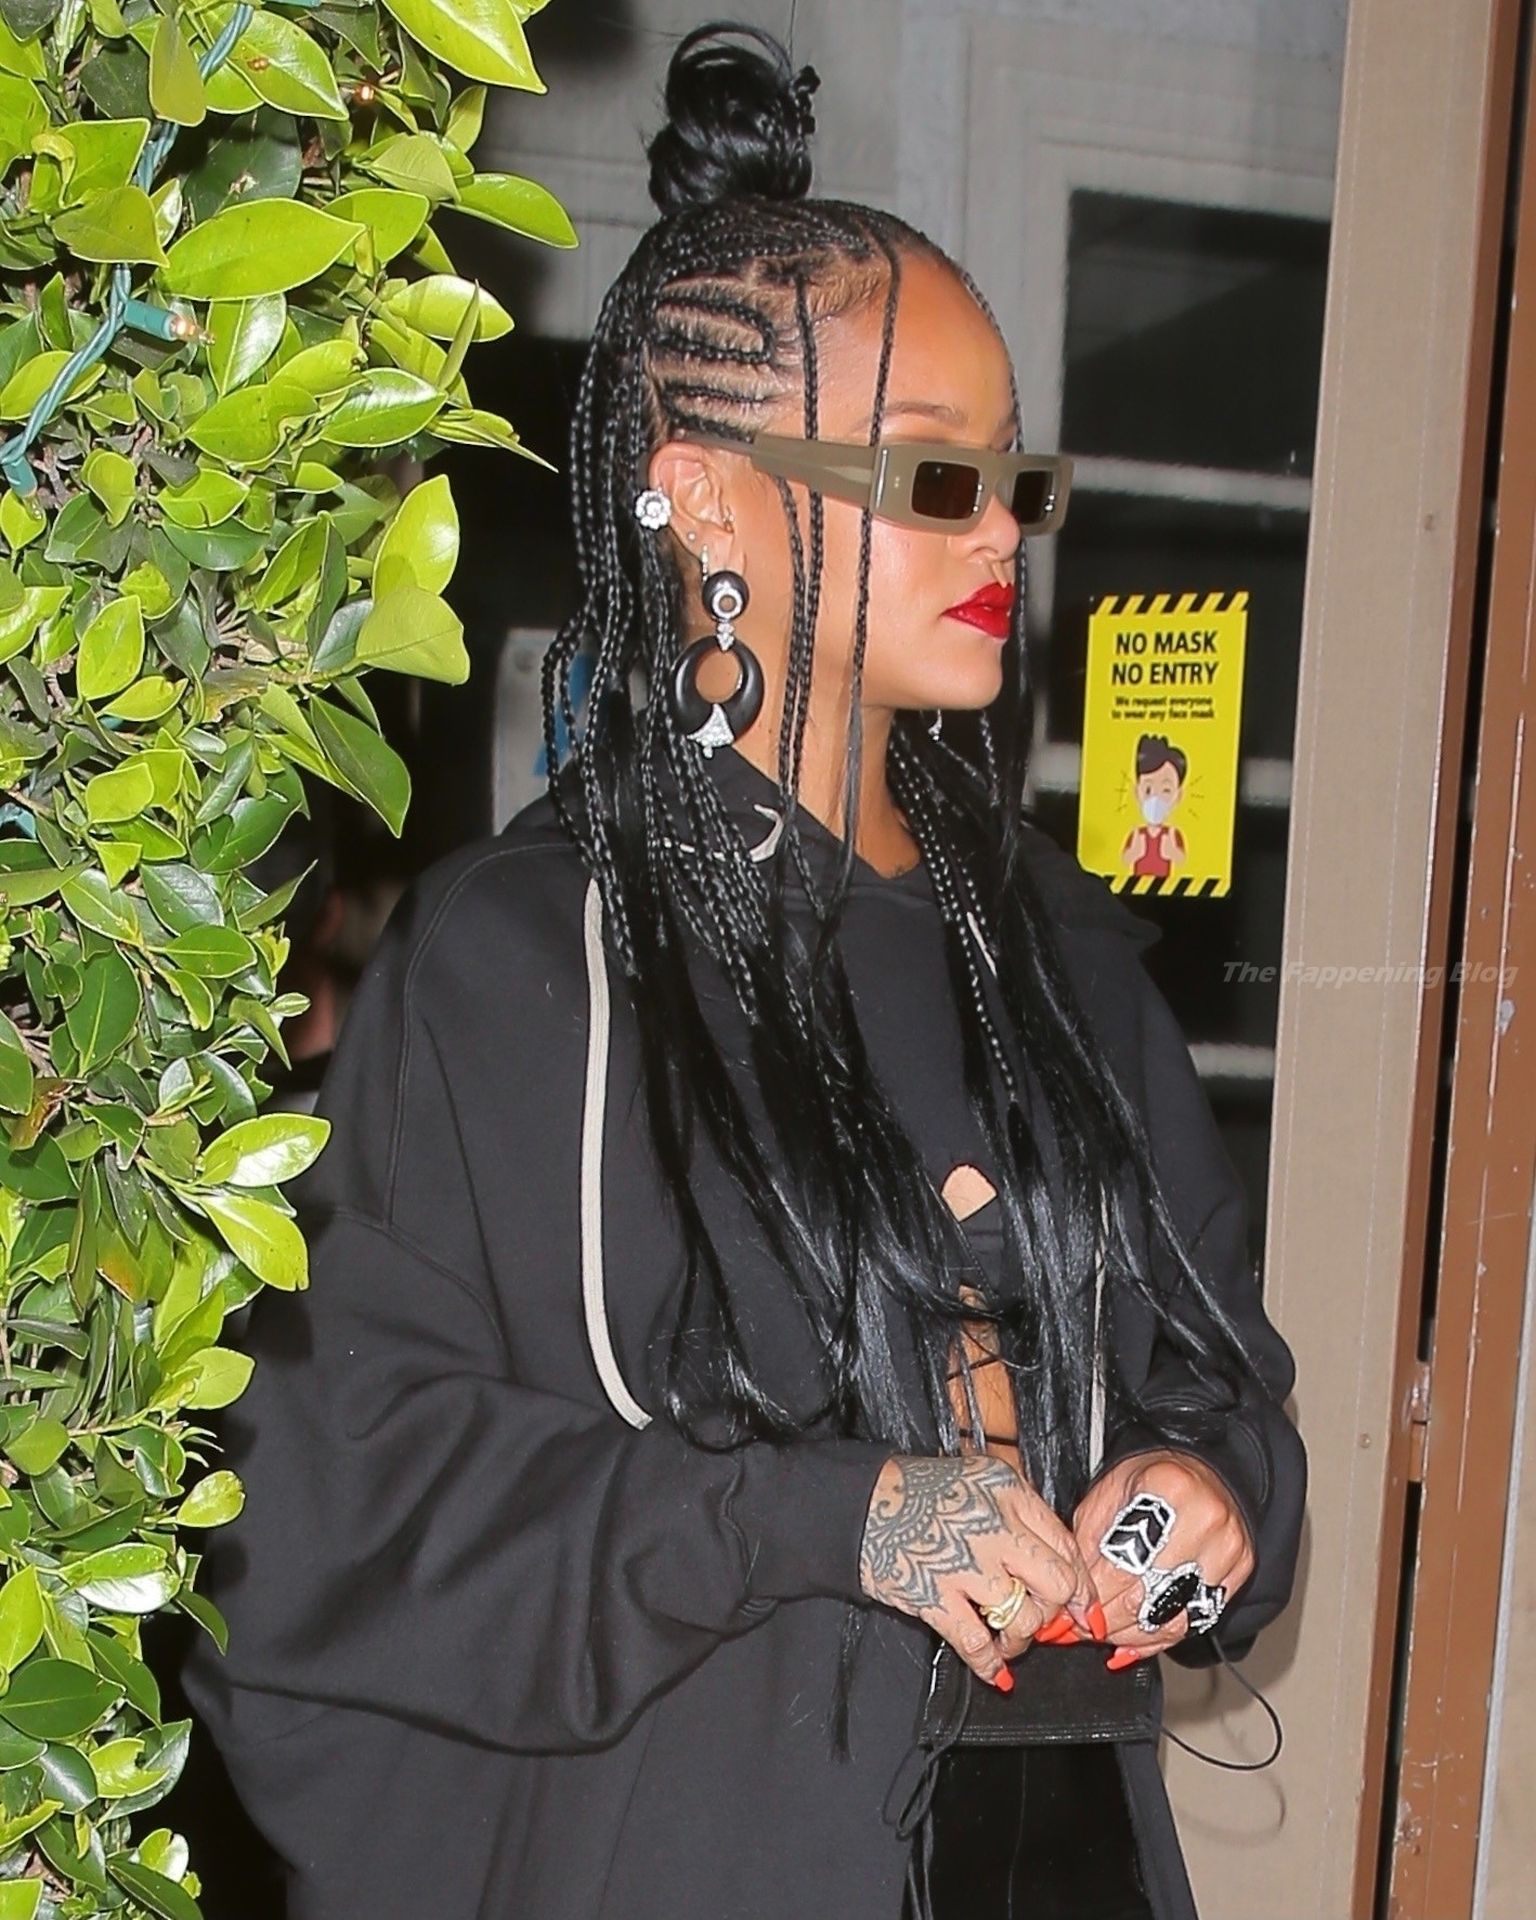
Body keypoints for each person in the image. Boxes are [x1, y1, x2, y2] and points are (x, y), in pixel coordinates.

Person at [181, 23, 1305, 1919]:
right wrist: (829, 1518)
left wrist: (1213, 1495)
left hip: (1061, 1859)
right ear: (707, 498)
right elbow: (336, 1510)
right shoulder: (527, 963)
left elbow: (1222, 1379)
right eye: (936, 476)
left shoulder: (1059, 953)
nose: (1001, 531)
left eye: (1012, 480)